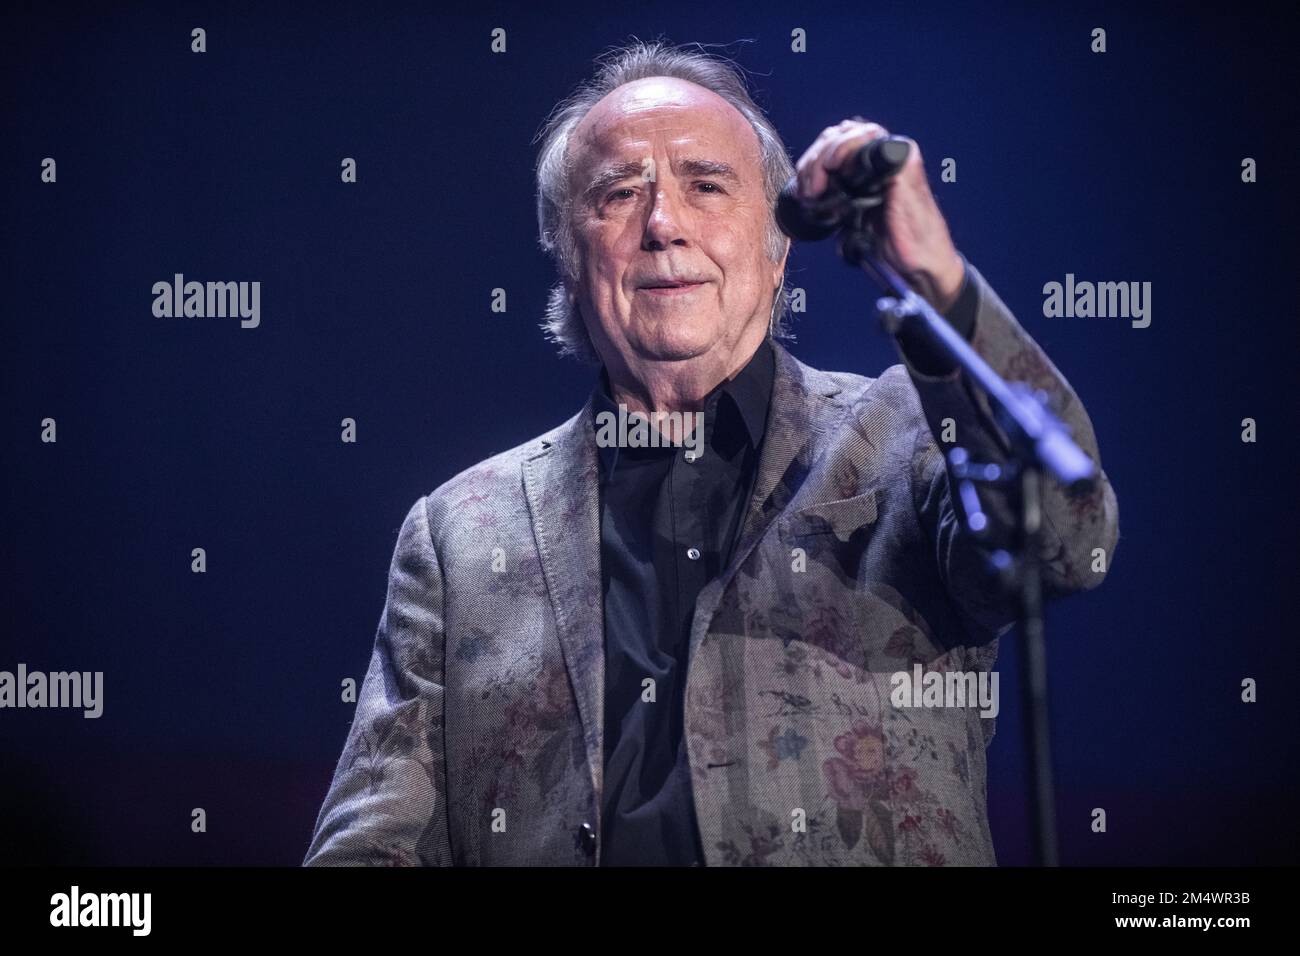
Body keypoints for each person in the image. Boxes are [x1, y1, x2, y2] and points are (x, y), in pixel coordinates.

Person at [303, 40, 1118, 867]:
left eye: (707, 185)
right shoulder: (460, 536)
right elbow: (371, 844)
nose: (663, 225)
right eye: (619, 194)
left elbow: (1069, 541)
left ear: (777, 252)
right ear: (570, 263)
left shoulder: (908, 433)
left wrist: (938, 283)